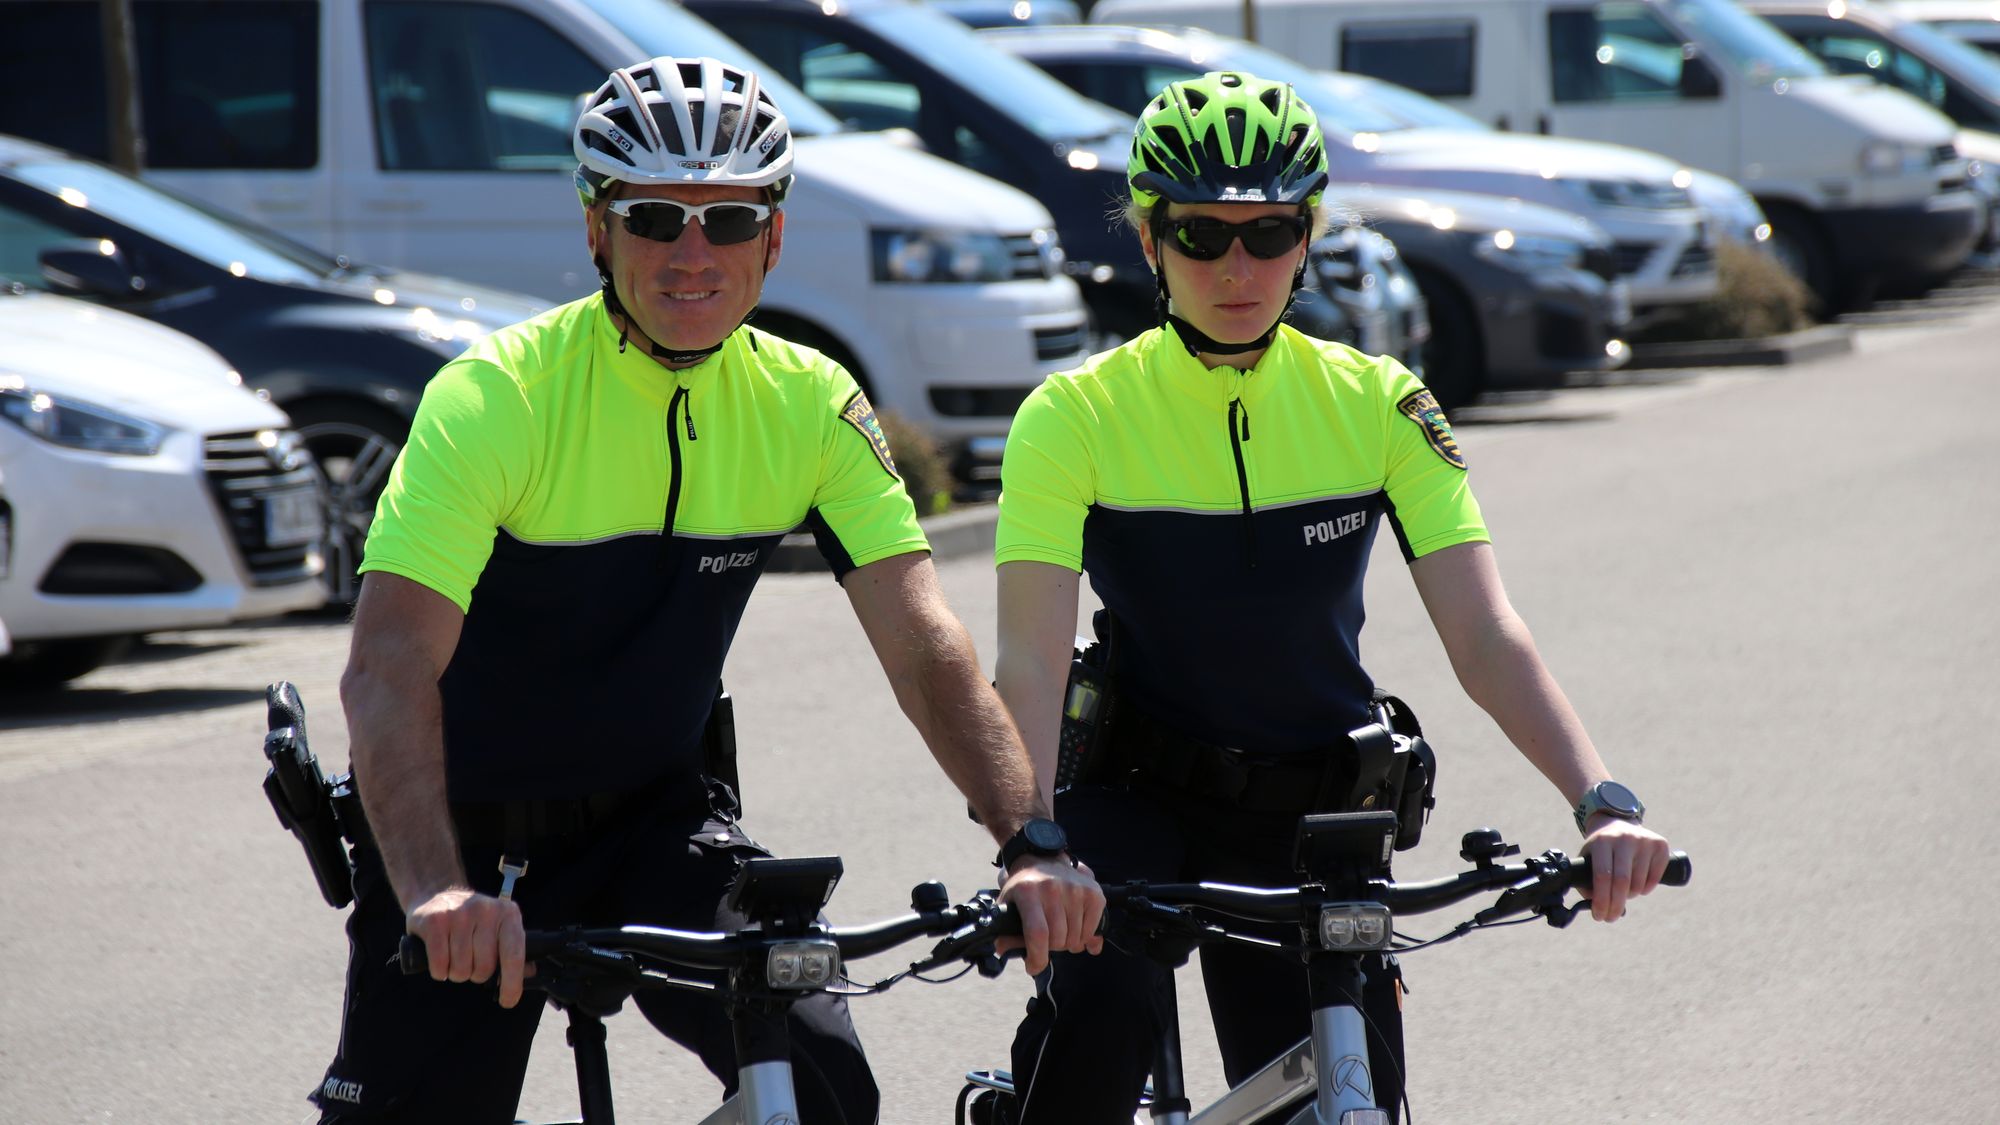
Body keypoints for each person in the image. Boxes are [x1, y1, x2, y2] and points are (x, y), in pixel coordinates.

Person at [311, 56, 1102, 1124]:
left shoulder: (809, 404)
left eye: (728, 222)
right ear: (596, 229)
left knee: (822, 1089)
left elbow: (927, 649)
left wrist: (1030, 841)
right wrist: (435, 892)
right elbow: (387, 668)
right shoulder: (496, 398)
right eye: (653, 218)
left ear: (772, 239)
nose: (692, 255)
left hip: (656, 822)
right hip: (463, 833)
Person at [987, 71, 1675, 1122]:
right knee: (1099, 1011)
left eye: (1268, 233)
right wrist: (1031, 844)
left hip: (1313, 811)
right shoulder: (1073, 416)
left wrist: (1599, 801)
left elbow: (1484, 632)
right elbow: (1029, 663)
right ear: (1147, 243)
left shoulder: (1379, 404)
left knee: (1348, 1094)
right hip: (1135, 799)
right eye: (1200, 235)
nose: (1236, 265)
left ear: (1306, 239)